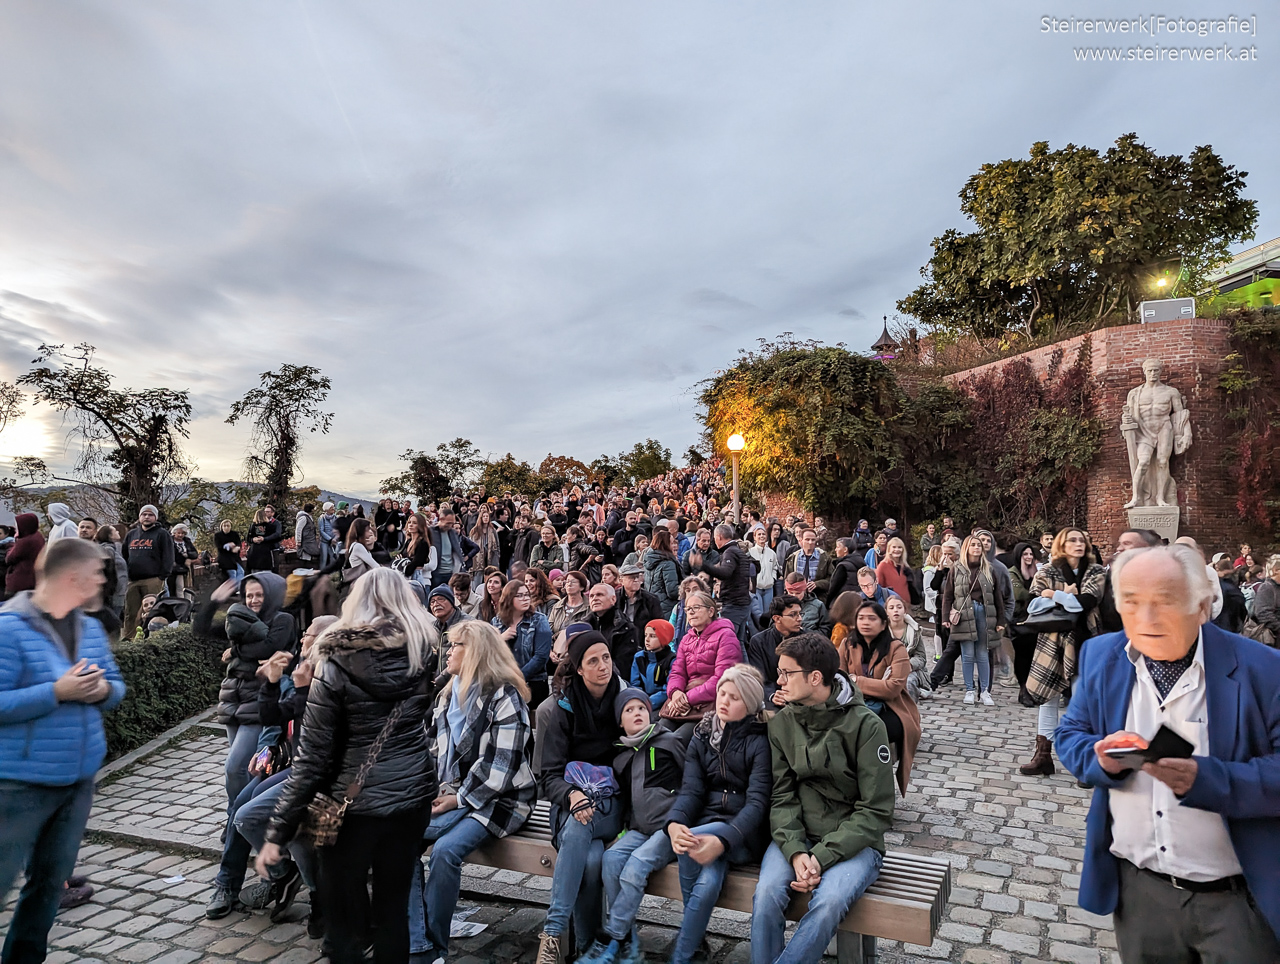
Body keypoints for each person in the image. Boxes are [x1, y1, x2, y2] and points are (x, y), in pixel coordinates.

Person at [1056, 544, 1280, 963]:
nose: (1146, 619)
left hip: (1237, 899)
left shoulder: (1265, 669)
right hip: (1141, 894)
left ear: (1202, 606)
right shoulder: (1102, 656)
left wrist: (1209, 780)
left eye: (1164, 603)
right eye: (1132, 603)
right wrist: (1099, 758)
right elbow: (1071, 734)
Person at [259, 568, 437, 964]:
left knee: (341, 919)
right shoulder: (423, 651)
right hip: (412, 797)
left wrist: (278, 830)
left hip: (350, 806)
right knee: (393, 912)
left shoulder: (335, 661)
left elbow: (313, 756)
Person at [0, 537, 125, 964]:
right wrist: (56, 691)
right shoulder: (8, 627)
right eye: (96, 575)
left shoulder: (89, 626)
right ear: (72, 577)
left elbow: (115, 685)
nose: (101, 583)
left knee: (49, 886)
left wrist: (102, 689)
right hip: (18, 785)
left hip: (78, 780)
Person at [751, 633, 895, 964]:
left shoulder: (866, 726)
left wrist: (820, 857)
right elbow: (782, 796)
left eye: (787, 673)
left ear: (815, 678)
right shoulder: (783, 723)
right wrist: (797, 850)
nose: (779, 680)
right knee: (768, 894)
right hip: (797, 836)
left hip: (855, 844)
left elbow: (876, 810)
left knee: (828, 901)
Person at [408, 621, 536, 963]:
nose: (448, 652)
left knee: (445, 851)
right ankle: (416, 942)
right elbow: (433, 752)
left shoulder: (505, 696)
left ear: (476, 651)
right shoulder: (448, 693)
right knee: (400, 838)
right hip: (454, 792)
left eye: (456, 646)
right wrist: (429, 792)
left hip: (503, 799)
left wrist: (458, 798)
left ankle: (435, 948)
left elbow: (502, 768)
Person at [206, 615, 333, 924]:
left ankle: (316, 892)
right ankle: (283, 872)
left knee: (260, 814)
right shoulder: (303, 672)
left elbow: (320, 736)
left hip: (322, 775)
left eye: (310, 636)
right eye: (303, 635)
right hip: (297, 766)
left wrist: (301, 690)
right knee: (244, 806)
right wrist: (273, 683)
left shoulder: (331, 679)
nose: (303, 640)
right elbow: (274, 717)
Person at [577, 687, 688, 964]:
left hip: (669, 828)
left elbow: (692, 782)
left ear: (650, 713)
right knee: (612, 859)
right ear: (620, 722)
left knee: (635, 867)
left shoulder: (668, 742)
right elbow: (625, 801)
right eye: (629, 710)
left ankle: (611, 937)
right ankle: (630, 943)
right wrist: (622, 832)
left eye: (641, 708)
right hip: (639, 829)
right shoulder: (621, 758)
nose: (636, 713)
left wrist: (685, 819)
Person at [535, 631, 625, 964]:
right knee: (590, 860)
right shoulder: (563, 708)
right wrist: (572, 794)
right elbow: (548, 776)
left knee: (580, 831)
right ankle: (588, 950)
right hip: (570, 803)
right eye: (593, 661)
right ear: (580, 669)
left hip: (612, 806)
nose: (603, 666)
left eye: (606, 657)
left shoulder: (624, 700)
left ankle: (553, 932)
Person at [198, 572, 296, 817]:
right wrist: (213, 602)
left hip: (260, 700)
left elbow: (270, 647)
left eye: (259, 595)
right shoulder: (241, 620)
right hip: (233, 699)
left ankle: (237, 817)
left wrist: (234, 650)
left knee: (235, 767)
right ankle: (243, 818)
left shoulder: (283, 619)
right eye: (249, 595)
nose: (253, 600)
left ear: (271, 594)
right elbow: (201, 629)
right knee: (242, 769)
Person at [1021, 527, 1107, 778]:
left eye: (1082, 540)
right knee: (1048, 698)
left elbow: (1087, 602)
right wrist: (1060, 595)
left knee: (1084, 700)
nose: (1078, 544)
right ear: (1061, 544)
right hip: (1053, 638)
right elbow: (1033, 605)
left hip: (1086, 639)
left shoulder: (1096, 571)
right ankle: (1043, 756)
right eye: (1072, 540)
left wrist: (1053, 594)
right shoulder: (1047, 570)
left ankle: (1087, 761)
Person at [835, 600, 921, 793]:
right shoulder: (847, 644)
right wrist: (872, 684)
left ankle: (875, 788)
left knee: (873, 731)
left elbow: (892, 689)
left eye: (872, 618)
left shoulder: (896, 648)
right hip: (852, 706)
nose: (865, 622)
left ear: (883, 624)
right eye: (861, 618)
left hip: (892, 708)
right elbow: (838, 680)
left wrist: (856, 680)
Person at [660, 592, 742, 742]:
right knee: (656, 734)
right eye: (687, 609)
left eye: (696, 608)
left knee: (674, 740)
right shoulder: (686, 639)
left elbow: (723, 679)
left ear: (711, 611)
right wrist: (675, 693)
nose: (690, 612)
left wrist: (687, 699)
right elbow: (677, 672)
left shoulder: (726, 636)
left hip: (712, 703)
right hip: (685, 701)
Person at [940, 534, 1005, 707]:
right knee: (967, 654)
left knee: (983, 654)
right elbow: (948, 595)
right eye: (973, 544)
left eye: (979, 545)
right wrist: (945, 617)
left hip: (984, 612)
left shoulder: (989, 569)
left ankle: (985, 691)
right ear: (966, 547)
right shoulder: (957, 568)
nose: (977, 547)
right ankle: (969, 689)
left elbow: (998, 596)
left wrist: (1001, 620)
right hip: (964, 614)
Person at [493, 578, 554, 704]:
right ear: (508, 598)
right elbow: (487, 651)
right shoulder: (497, 621)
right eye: (519, 596)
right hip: (502, 683)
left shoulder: (539, 620)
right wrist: (500, 639)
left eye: (527, 595)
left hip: (533, 684)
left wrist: (517, 679)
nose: (525, 598)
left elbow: (541, 657)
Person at [121, 505, 174, 638]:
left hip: (153, 579)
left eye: (150, 514)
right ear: (139, 517)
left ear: (155, 517)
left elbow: (168, 556)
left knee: (153, 612)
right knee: (131, 613)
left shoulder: (162, 534)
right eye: (144, 514)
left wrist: (162, 576)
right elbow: (124, 555)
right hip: (133, 580)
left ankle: (151, 639)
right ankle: (130, 640)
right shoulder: (131, 535)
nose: (147, 517)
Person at [746, 595, 804, 706]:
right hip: (772, 699)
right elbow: (758, 677)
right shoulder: (759, 641)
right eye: (793, 615)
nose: (800, 618)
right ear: (777, 618)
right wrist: (771, 695)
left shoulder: (808, 639)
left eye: (800, 614)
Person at [1007, 541, 1041, 706]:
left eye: (1030, 554)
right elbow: (1020, 594)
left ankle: (1031, 690)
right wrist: (1041, 594)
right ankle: (1023, 690)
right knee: (1022, 657)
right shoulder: (1012, 573)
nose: (1028, 557)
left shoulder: (1037, 572)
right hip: (1020, 622)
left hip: (1036, 622)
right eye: (1025, 554)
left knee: (1034, 658)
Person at [884, 593, 931, 702]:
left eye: (899, 607)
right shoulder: (882, 632)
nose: (896, 610)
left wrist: (908, 665)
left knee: (908, 682)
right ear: (887, 612)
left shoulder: (914, 630)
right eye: (891, 608)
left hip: (911, 670)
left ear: (904, 610)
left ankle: (910, 711)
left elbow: (921, 658)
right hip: (889, 668)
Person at [587, 582, 639, 671]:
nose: (594, 599)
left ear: (613, 599)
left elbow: (623, 665)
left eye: (600, 595)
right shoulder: (584, 624)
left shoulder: (624, 628)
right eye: (591, 596)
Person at [631, 619, 676, 712]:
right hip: (641, 701)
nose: (647, 639)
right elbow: (635, 684)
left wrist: (648, 703)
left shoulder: (672, 660)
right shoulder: (639, 657)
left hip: (661, 704)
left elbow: (668, 689)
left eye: (652, 636)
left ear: (663, 638)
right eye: (646, 635)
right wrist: (640, 700)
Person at [428, 510, 479, 589]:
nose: (450, 526)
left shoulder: (453, 533)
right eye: (448, 523)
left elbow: (457, 551)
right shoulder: (430, 532)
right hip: (436, 574)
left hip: (451, 573)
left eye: (452, 523)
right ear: (441, 519)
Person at [644, 528, 681, 618]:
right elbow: (672, 591)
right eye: (672, 543)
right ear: (665, 544)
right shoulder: (668, 563)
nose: (675, 546)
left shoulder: (650, 560)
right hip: (667, 608)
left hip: (652, 605)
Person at [616, 563, 663, 632]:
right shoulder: (614, 597)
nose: (636, 580)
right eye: (631, 577)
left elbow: (658, 623)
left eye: (637, 577)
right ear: (621, 581)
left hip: (641, 638)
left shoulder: (651, 599)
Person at [94, 525, 128, 618]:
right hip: (114, 593)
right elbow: (108, 570)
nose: (118, 532)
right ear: (109, 535)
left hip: (118, 591)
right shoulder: (107, 549)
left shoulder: (113, 548)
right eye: (115, 531)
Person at [398, 512, 439, 586]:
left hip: (418, 579)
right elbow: (400, 556)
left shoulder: (423, 543)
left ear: (420, 525)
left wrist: (405, 566)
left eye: (414, 523)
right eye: (409, 522)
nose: (410, 525)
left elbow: (417, 562)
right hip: (406, 579)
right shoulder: (408, 541)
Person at [874, 537, 914, 607]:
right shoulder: (883, 566)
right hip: (891, 606)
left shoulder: (905, 567)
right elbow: (878, 588)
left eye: (899, 547)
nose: (897, 550)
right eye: (894, 547)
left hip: (906, 605)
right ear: (889, 549)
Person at [548, 570, 590, 635]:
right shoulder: (557, 606)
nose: (569, 584)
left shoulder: (589, 607)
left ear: (581, 587)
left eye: (573, 582)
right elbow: (549, 629)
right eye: (567, 582)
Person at [823, 538, 860, 608]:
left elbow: (834, 588)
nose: (835, 550)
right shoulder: (859, 562)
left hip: (842, 602)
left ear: (845, 549)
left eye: (837, 547)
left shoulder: (843, 566)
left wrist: (827, 603)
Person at [168, 523, 199, 597]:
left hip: (187, 568)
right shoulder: (170, 541)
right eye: (178, 533)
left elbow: (195, 553)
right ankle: (181, 604)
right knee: (180, 587)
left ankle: (188, 603)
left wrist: (188, 557)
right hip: (176, 568)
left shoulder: (187, 541)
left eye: (182, 533)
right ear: (174, 532)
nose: (180, 535)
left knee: (188, 587)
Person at [214, 519, 245, 584]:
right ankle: (233, 590)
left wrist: (237, 547)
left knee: (241, 572)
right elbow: (219, 546)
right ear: (221, 527)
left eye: (228, 526)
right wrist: (229, 546)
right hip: (225, 559)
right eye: (224, 526)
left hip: (235, 558)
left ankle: (239, 588)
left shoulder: (234, 534)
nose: (226, 527)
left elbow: (238, 543)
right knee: (232, 574)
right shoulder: (218, 535)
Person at [317, 502, 338, 569]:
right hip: (325, 542)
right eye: (331, 508)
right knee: (324, 559)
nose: (333, 509)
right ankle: (321, 573)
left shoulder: (335, 517)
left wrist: (335, 538)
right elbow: (321, 531)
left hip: (334, 542)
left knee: (333, 558)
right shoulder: (322, 518)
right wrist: (330, 539)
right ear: (327, 509)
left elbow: (337, 528)